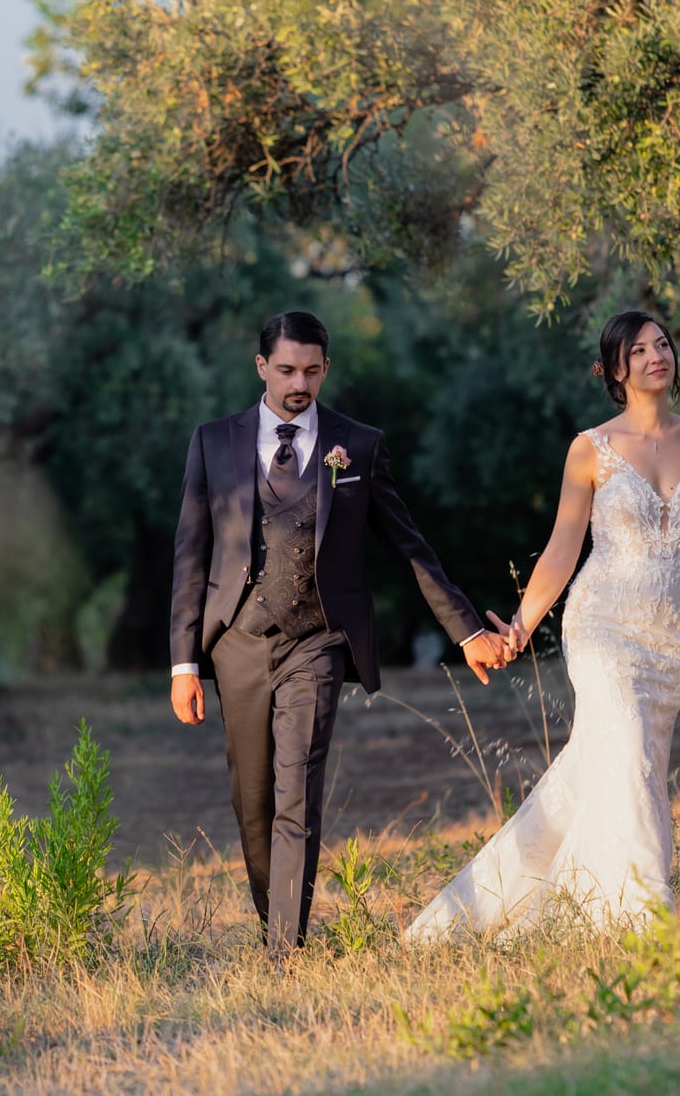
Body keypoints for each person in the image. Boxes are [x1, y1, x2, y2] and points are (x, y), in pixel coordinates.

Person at [169, 310, 516, 958]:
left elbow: (410, 547)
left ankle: (285, 953)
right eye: (286, 370)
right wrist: (183, 663)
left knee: (297, 788)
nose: (299, 383)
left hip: (319, 640)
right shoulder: (213, 441)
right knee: (253, 803)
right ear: (261, 367)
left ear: (326, 368)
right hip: (237, 641)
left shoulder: (359, 444)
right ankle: (274, 923)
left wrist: (466, 629)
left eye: (311, 370)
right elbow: (191, 552)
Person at [405, 309, 680, 940]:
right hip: (602, 629)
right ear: (615, 370)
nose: (656, 356)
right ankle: (641, 913)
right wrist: (520, 625)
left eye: (663, 344)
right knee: (628, 756)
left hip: (671, 639)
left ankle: (519, 903)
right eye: (638, 350)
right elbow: (563, 549)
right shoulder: (590, 449)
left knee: (626, 765)